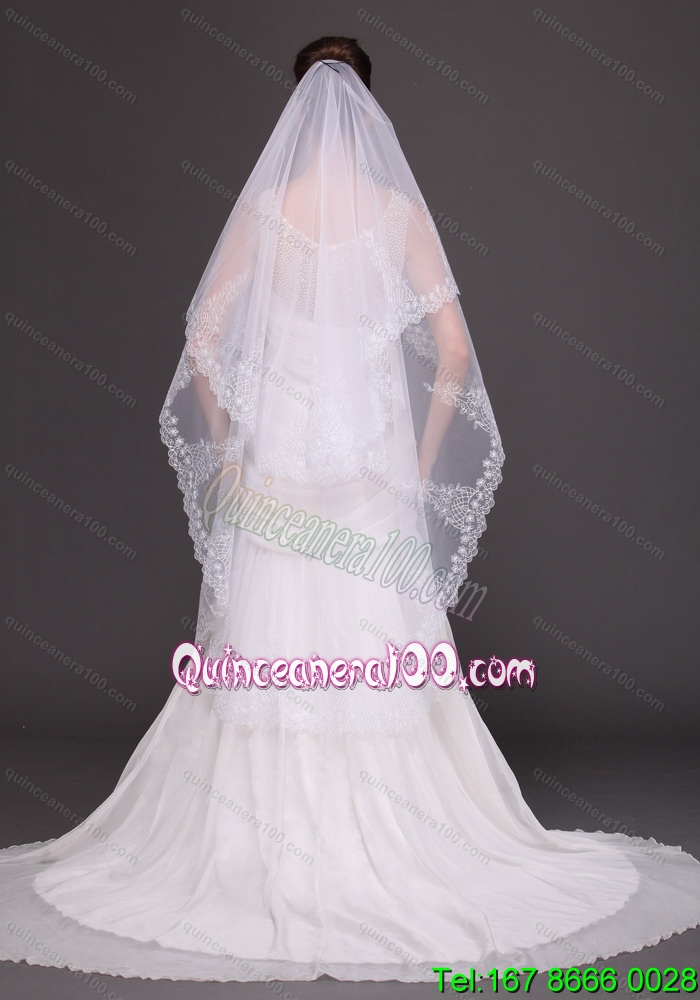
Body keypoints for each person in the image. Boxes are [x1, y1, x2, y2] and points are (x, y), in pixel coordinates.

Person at [1, 36, 698, 984]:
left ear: (297, 108)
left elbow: (203, 340)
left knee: (266, 648)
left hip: (278, 472)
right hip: (370, 476)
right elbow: (455, 354)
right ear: (371, 110)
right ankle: (396, 842)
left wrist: (232, 448)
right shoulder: (395, 211)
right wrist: (416, 460)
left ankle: (261, 848)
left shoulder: (266, 209)